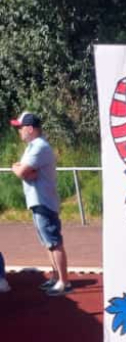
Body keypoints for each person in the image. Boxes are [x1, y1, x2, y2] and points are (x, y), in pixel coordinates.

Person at [10, 111, 70, 295]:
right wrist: (22, 170)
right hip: (38, 200)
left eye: (21, 128)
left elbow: (22, 171)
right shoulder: (32, 147)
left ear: (30, 128)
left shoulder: (39, 147)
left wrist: (17, 168)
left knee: (54, 242)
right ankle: (56, 277)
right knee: (48, 242)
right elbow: (25, 171)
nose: (19, 131)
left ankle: (64, 282)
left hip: (44, 201)